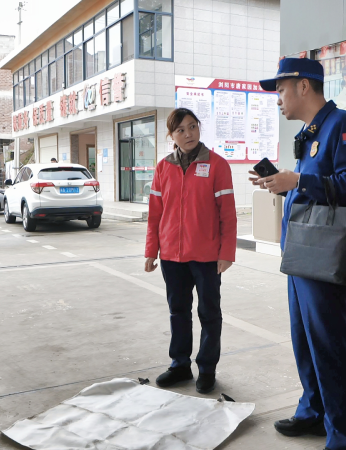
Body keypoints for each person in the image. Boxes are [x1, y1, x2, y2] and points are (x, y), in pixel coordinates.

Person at [251, 58, 346, 450]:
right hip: (302, 256)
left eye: (282, 90)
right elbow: (320, 191)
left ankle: (343, 435)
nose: (278, 99)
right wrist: (285, 185)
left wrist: (299, 179)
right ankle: (314, 412)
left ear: (305, 86)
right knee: (304, 339)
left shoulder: (344, 125)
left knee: (330, 345)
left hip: (326, 259)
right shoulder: (310, 131)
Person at [144, 108, 237, 394]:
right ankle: (180, 365)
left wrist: (227, 252)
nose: (189, 134)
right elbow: (155, 214)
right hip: (172, 256)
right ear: (171, 135)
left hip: (207, 256)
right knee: (178, 311)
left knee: (209, 313)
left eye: (193, 127)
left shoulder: (217, 165)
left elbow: (228, 214)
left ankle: (206, 369)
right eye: (181, 130)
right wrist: (151, 251)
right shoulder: (164, 168)